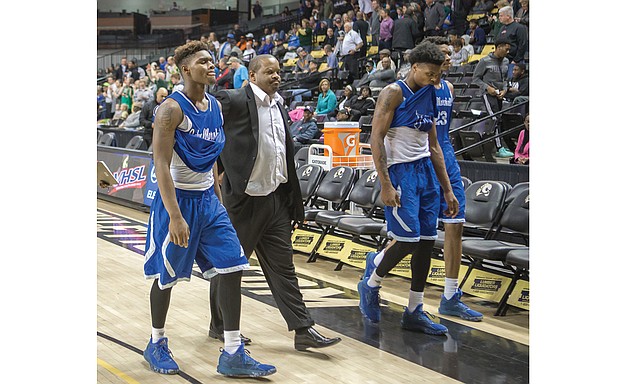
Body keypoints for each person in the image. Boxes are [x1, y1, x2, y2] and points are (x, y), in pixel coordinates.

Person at [142, 40, 276, 378]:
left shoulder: (215, 106)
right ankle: (156, 342)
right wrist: (174, 215)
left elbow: (213, 163)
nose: (212, 65)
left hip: (207, 201)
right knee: (166, 276)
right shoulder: (170, 109)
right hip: (177, 202)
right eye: (204, 61)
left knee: (233, 266)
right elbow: (160, 164)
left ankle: (232, 350)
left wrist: (217, 201)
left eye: (212, 60)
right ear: (186, 69)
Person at [213, 54, 342, 351]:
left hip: (275, 200)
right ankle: (219, 325)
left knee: (284, 268)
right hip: (244, 201)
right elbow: (209, 129)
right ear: (252, 75)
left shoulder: (279, 105)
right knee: (230, 267)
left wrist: (292, 202)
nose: (276, 76)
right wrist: (219, 171)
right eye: (269, 71)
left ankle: (303, 330)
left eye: (279, 72)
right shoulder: (232, 99)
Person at [358, 41, 459, 334]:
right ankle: (371, 283)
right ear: (414, 67)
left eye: (438, 74)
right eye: (430, 73)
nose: (435, 79)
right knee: (407, 239)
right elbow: (376, 139)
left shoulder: (432, 91)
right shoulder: (394, 93)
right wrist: (386, 183)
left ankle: (415, 309)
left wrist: (448, 189)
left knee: (427, 241)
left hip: (426, 170)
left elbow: (435, 145)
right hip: (401, 173)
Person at [471, 37, 511, 161]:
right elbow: (476, 79)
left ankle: (498, 147)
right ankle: (499, 148)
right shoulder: (485, 61)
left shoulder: (506, 61)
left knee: (499, 119)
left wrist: (504, 90)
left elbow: (505, 79)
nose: (508, 52)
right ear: (499, 47)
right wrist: (487, 87)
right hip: (487, 95)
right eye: (506, 49)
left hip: (500, 94)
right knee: (494, 118)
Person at [497, 5, 528, 78]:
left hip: (514, 61)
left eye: (501, 16)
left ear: (508, 16)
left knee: (511, 81)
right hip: (502, 61)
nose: (499, 18)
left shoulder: (519, 27)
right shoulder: (502, 28)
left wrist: (516, 60)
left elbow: (522, 45)